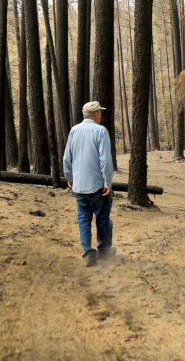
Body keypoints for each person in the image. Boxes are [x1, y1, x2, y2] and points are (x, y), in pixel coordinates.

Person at [63, 101, 115, 266]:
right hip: (98, 185)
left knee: (83, 219)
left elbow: (66, 158)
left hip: (79, 185)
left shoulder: (73, 131)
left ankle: (88, 252)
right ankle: (104, 251)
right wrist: (108, 181)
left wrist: (69, 177)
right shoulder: (101, 131)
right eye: (100, 112)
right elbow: (105, 160)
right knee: (103, 219)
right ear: (96, 114)